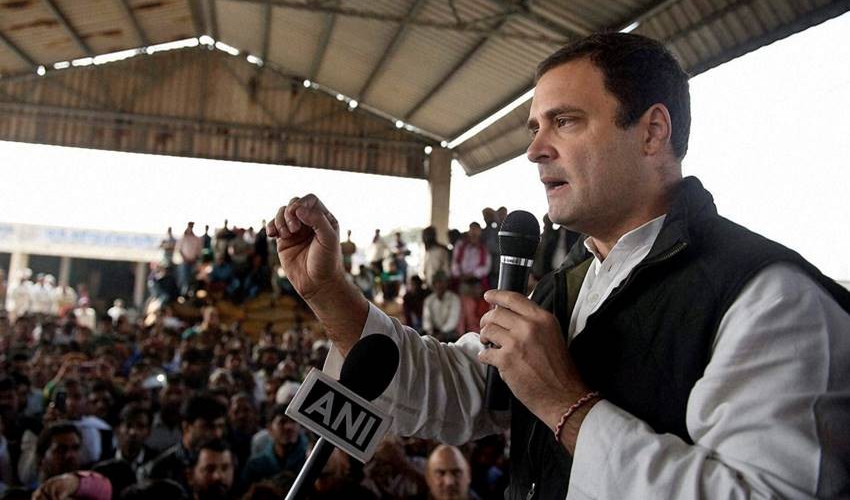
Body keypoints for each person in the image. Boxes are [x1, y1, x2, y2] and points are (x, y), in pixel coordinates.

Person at [268, 31, 850, 499]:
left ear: (652, 132)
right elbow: (461, 392)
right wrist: (328, 292)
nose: (534, 149)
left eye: (565, 121)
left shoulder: (770, 300)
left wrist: (565, 407)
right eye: (535, 128)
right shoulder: (568, 286)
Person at [240, 404, 306, 484]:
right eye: (282, 422)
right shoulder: (255, 465)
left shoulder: (308, 460)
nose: (289, 426)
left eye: (293, 421)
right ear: (270, 429)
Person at [421, 271, 461, 342]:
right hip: (433, 332)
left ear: (446, 284)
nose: (439, 285)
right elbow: (426, 319)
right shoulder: (429, 300)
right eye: (437, 282)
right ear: (433, 284)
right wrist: (430, 332)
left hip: (448, 332)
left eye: (441, 282)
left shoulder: (454, 298)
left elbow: (453, 320)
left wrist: (442, 333)